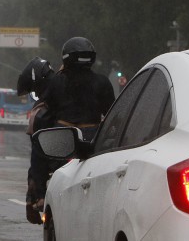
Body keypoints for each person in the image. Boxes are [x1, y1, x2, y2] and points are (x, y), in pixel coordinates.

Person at [30, 37, 116, 216]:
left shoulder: (55, 82)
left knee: (38, 143)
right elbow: (112, 114)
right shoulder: (102, 82)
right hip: (94, 141)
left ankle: (39, 196)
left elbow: (47, 110)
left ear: (66, 58)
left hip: (62, 140)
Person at [16, 57, 56, 225]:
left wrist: (33, 198)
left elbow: (37, 160)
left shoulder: (40, 114)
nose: (37, 94)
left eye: (35, 90)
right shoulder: (97, 84)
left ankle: (38, 197)